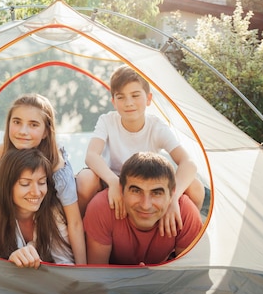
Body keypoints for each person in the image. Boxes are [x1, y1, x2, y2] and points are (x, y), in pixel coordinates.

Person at [0, 93, 86, 264]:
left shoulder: (56, 163)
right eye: (17, 122)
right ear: (8, 124)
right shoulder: (2, 152)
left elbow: (74, 222)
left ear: (46, 131)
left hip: (42, 209)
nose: (23, 131)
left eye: (33, 124)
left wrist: (82, 270)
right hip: (9, 203)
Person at [76, 65, 204, 238]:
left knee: (196, 187)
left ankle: (181, 233)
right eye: (121, 97)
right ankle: (85, 233)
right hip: (113, 180)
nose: (128, 102)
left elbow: (188, 162)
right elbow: (91, 155)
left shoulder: (156, 127)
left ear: (148, 99)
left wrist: (173, 198)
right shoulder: (107, 121)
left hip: (145, 185)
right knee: (85, 179)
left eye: (135, 95)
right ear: (113, 102)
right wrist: (114, 182)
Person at [84, 151, 203, 265]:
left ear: (172, 194)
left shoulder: (184, 212)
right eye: (136, 191)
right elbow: (97, 278)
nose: (145, 205)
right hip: (115, 283)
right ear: (121, 189)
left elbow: (189, 277)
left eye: (156, 193)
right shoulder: (103, 207)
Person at [0, 148, 74, 268]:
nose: (36, 193)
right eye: (25, 184)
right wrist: (11, 258)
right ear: (7, 185)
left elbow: (65, 261)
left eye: (42, 182)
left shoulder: (52, 210)